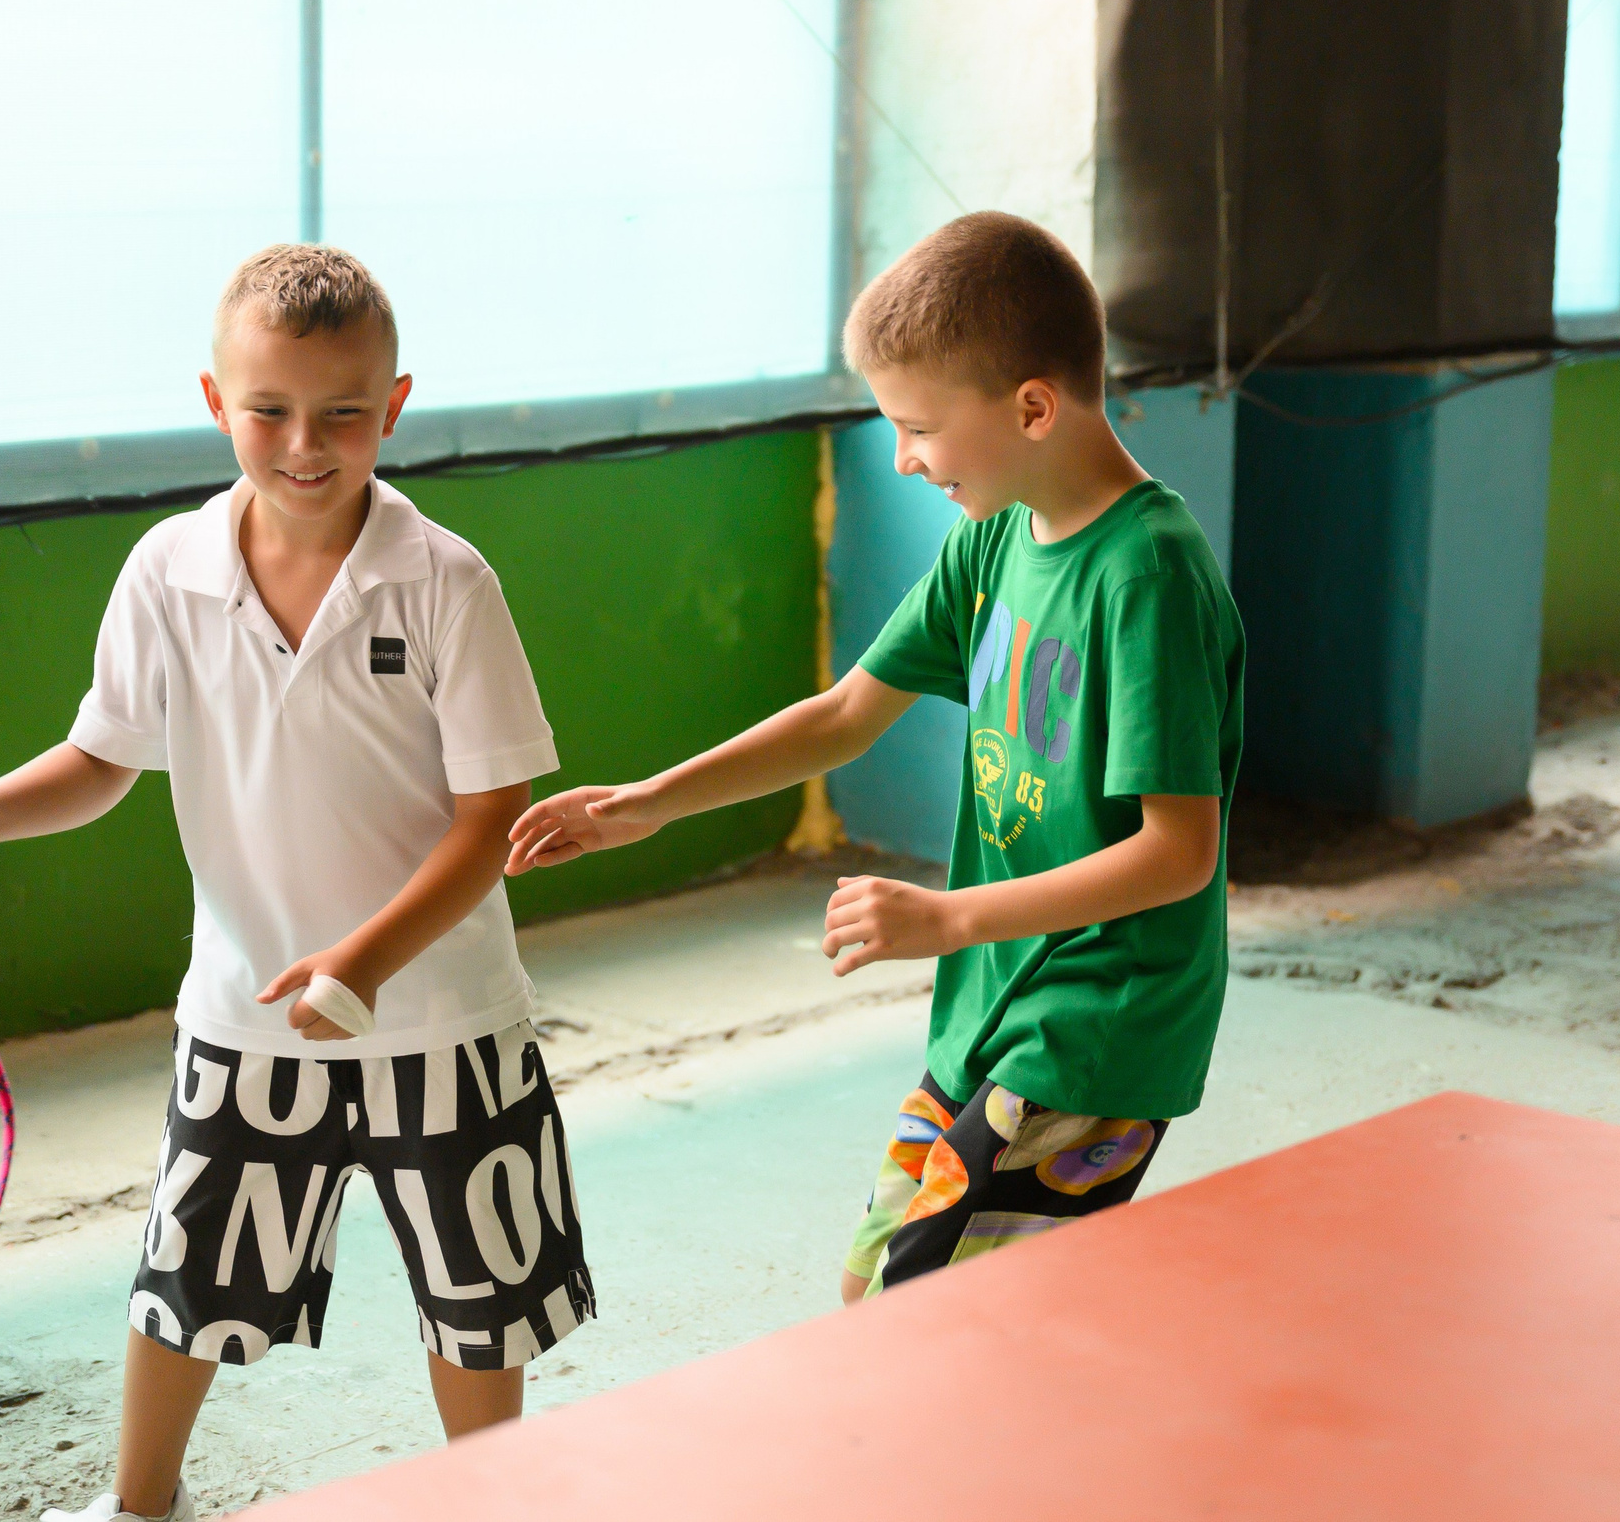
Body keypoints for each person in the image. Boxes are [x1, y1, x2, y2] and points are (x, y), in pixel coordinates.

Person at [0, 245, 593, 1522]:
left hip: (445, 1017)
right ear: (216, 401)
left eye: (341, 413)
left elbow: (493, 817)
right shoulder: (168, 569)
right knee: (188, 1277)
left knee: (479, 1298)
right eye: (268, 409)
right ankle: (139, 1503)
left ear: (395, 404)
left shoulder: (446, 582)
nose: (303, 443)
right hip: (246, 1015)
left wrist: (361, 963)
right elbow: (103, 757)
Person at [507, 211, 1242, 1306]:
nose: (902, 457)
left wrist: (943, 917)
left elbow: (1178, 853)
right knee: (875, 1291)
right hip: (989, 997)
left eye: (918, 427)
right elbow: (848, 710)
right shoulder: (995, 536)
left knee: (930, 1307)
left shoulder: (1145, 576)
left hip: (1100, 1018)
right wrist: (650, 803)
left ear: (1032, 406)